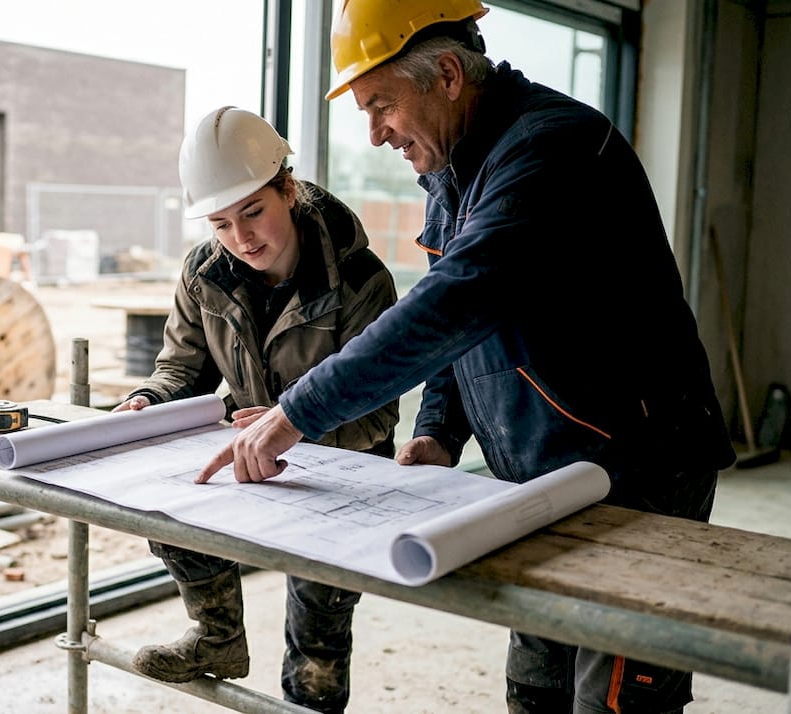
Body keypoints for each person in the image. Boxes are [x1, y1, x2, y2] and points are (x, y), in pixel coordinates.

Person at [197, 2, 736, 712]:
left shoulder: (553, 149)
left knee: (612, 697)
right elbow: (465, 326)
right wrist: (439, 431)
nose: (375, 132)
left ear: (447, 74)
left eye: (382, 104)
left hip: (638, 470)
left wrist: (297, 411)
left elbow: (456, 300)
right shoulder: (456, 171)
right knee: (537, 680)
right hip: (545, 473)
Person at [116, 105, 399, 713]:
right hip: (246, 455)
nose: (242, 239)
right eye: (220, 223)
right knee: (163, 502)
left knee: (317, 637)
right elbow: (181, 369)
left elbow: (376, 414)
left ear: (288, 190)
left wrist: (289, 423)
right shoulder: (203, 272)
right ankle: (218, 638)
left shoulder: (359, 279)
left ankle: (311, 701)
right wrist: (147, 401)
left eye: (254, 212)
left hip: (342, 469)